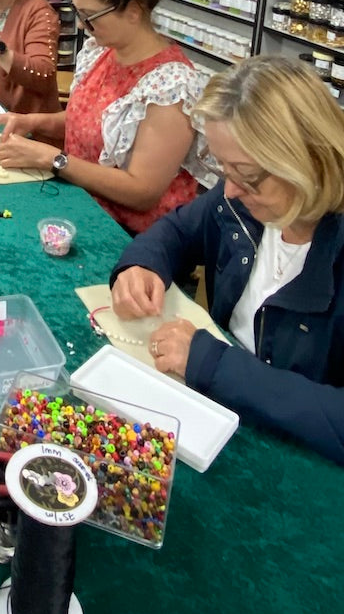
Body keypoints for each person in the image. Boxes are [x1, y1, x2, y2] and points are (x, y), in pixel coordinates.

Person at [110, 56, 344, 466]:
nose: (230, 190)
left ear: (308, 161)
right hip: (219, 417)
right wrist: (142, 265)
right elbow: (178, 232)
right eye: (223, 169)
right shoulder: (247, 200)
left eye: (246, 175)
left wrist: (211, 363)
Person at [0, 0, 213, 234]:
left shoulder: (170, 85)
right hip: (82, 212)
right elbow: (91, 120)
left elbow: (142, 192)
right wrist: (30, 121)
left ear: (134, 11)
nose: (82, 26)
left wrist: (55, 159)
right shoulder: (103, 51)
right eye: (78, 13)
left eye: (90, 16)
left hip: (136, 241)